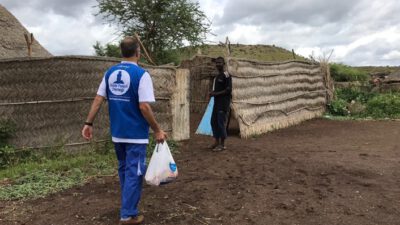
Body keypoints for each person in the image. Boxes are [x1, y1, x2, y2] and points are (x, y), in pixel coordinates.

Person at [82, 36, 166, 225]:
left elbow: (98, 99)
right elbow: (144, 107)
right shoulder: (141, 75)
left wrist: (88, 123)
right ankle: (128, 215)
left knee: (124, 170)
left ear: (122, 52)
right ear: (138, 52)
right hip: (135, 135)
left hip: (118, 134)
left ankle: (128, 207)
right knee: (134, 173)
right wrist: (158, 130)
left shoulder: (110, 73)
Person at [209, 56, 232, 151]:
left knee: (221, 123)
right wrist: (212, 94)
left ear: (224, 64)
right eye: (217, 62)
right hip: (216, 103)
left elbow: (228, 90)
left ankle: (222, 145)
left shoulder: (226, 75)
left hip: (223, 103)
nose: (218, 64)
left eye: (220, 62)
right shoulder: (217, 76)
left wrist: (215, 94)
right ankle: (216, 141)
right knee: (213, 122)